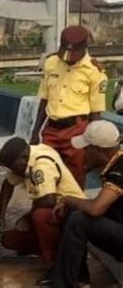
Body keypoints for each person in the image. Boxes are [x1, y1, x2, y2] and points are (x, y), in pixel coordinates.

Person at [0, 137, 86, 277]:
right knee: (9, 239)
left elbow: (49, 200)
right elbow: (8, 184)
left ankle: (54, 267)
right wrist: (1, 216)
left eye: (13, 167)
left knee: (40, 216)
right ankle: (53, 249)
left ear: (23, 158)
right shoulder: (27, 158)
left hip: (71, 212)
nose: (13, 171)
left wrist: (26, 218)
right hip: (55, 210)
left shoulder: (42, 164)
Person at [30, 26, 108, 188]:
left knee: (75, 178)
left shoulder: (95, 72)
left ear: (83, 48)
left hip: (77, 130)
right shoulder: (51, 63)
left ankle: (71, 211)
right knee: (45, 173)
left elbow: (95, 112)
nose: (67, 58)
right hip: (51, 129)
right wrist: (35, 131)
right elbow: (44, 100)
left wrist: (92, 143)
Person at [50, 120, 123, 288]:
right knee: (74, 213)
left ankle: (63, 284)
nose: (83, 152)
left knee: (79, 220)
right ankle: (79, 280)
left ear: (98, 150)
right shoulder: (115, 161)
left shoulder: (120, 169)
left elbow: (96, 209)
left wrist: (67, 199)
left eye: (86, 148)